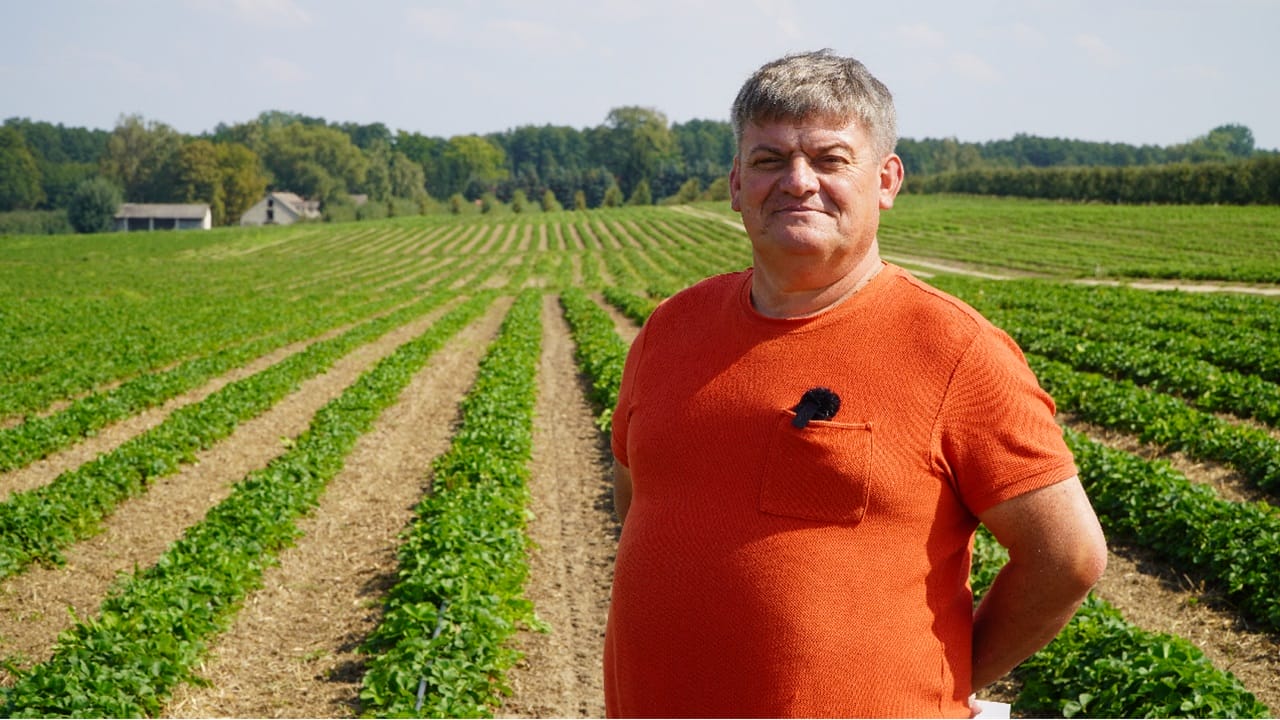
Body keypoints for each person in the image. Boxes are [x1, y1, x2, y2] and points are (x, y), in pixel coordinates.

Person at [603, 49, 1108, 718]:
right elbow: (637, 492)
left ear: (886, 180)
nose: (797, 181)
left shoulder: (954, 349)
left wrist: (944, 676)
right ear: (734, 184)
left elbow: (1066, 556)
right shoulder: (671, 328)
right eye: (768, 160)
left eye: (830, 158)